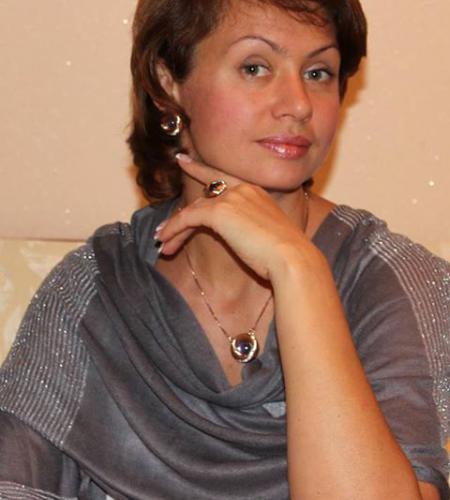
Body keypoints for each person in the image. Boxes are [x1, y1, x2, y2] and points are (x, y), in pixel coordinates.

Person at [0, 0, 449, 498]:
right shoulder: (96, 289)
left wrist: (298, 269)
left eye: (318, 72)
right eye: (255, 67)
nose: (299, 103)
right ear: (169, 81)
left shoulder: (395, 280)